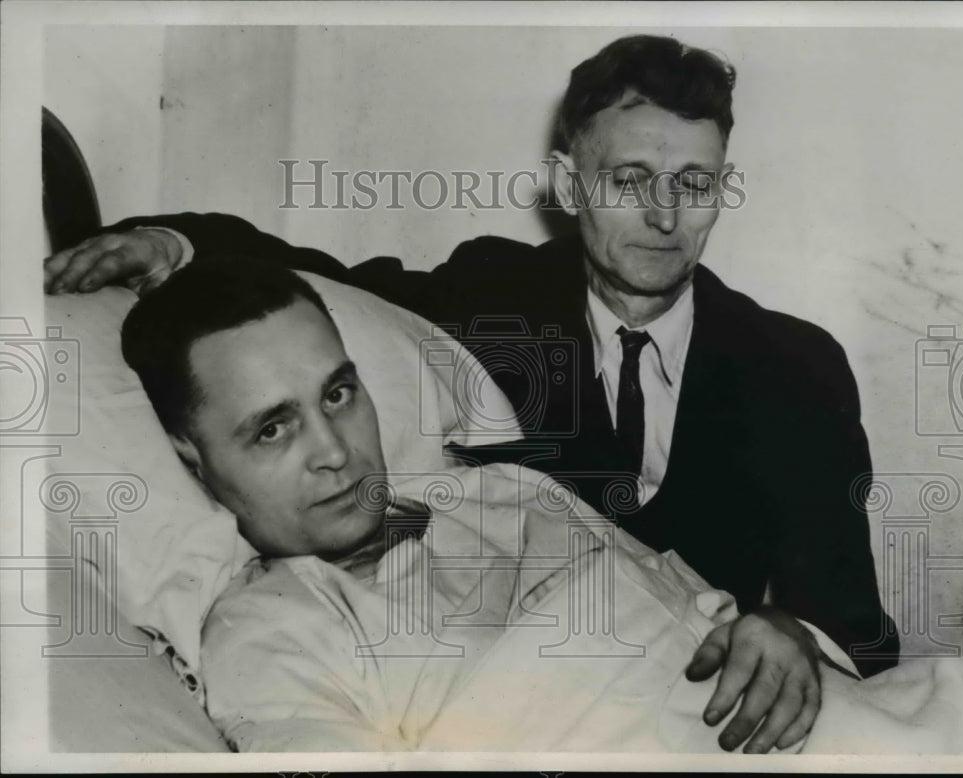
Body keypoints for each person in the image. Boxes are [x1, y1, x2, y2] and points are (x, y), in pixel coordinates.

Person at [46, 34, 898, 676]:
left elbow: (857, 627)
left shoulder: (797, 368)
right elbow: (324, 276)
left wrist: (795, 636)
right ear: (568, 186)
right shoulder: (496, 296)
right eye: (630, 180)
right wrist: (175, 243)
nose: (666, 219)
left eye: (695, 184)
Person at [120, 254, 843, 753]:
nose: (335, 450)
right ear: (197, 461)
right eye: (272, 429)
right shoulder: (272, 638)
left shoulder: (503, 490)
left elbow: (710, 614)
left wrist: (780, 631)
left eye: (339, 394)